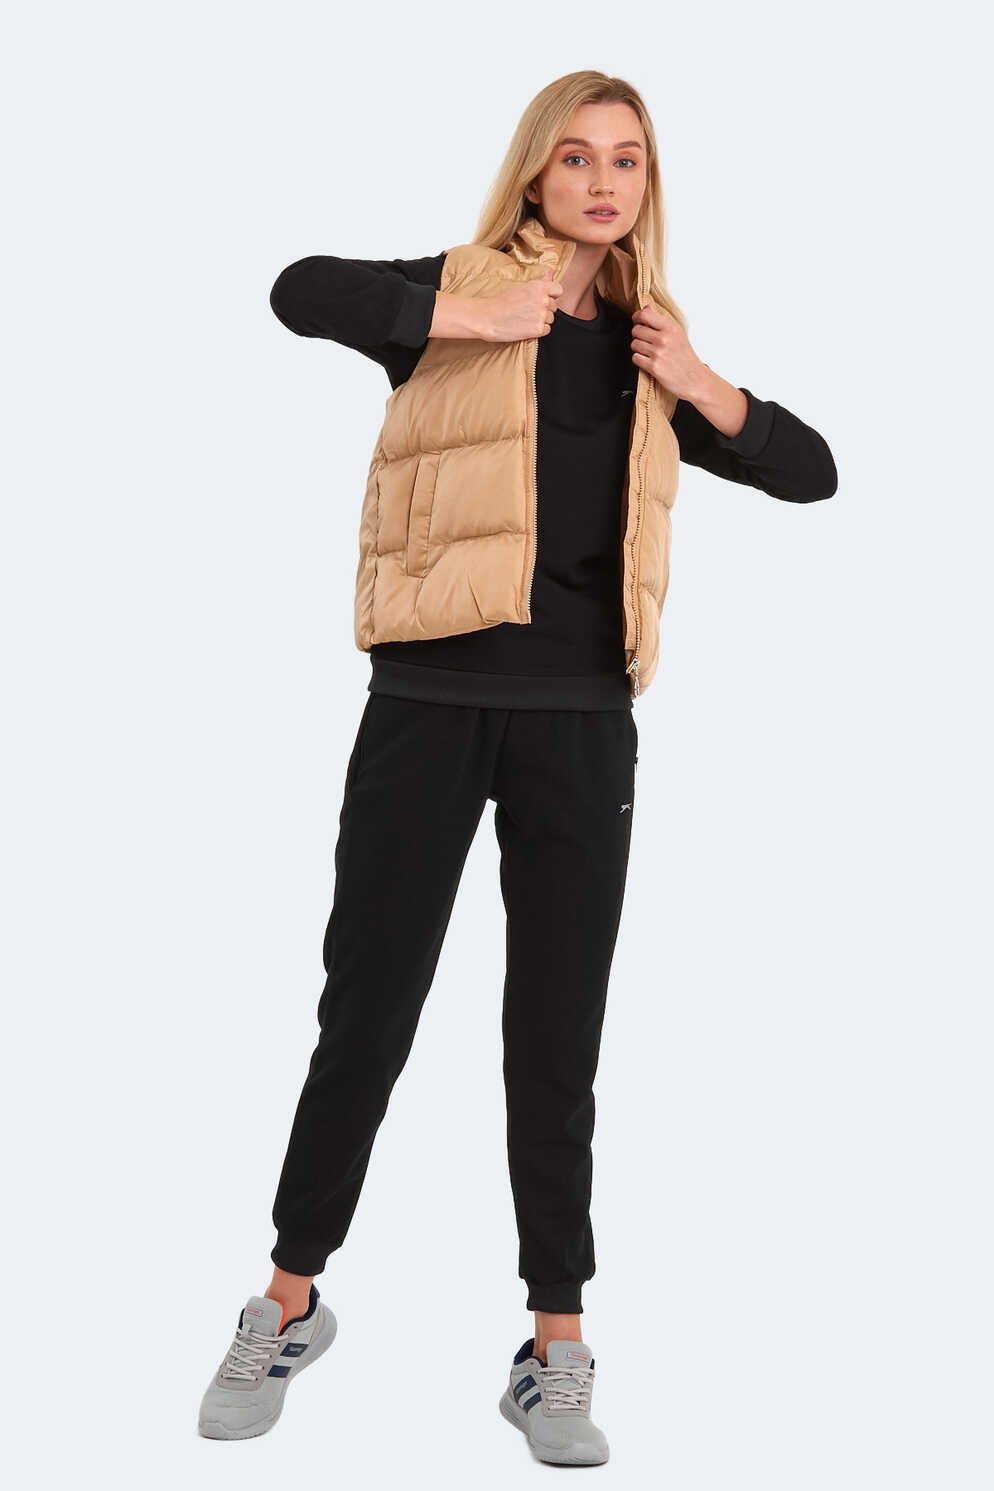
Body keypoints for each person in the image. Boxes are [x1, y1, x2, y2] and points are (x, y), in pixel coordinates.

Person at [198, 70, 837, 1464]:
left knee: (556, 1036)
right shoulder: (465, 289)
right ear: (536, 176)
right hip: (427, 705)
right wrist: (466, 315)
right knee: (367, 1009)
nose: (603, 182)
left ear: (647, 185)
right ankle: (286, 1301)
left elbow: (813, 472)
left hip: (581, 723)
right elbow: (295, 289)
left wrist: (700, 383)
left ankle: (555, 1346)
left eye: (627, 160)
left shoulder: (653, 348)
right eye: (576, 158)